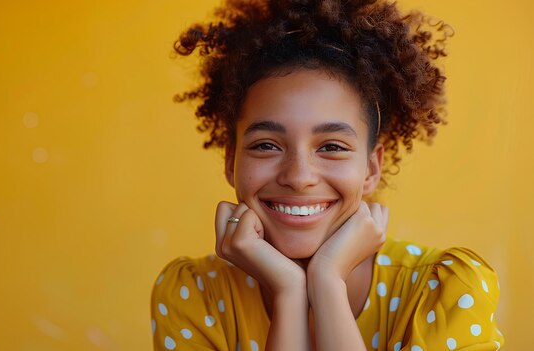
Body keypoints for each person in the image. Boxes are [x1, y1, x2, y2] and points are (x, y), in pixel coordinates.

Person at [151, 0, 504, 350]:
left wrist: (327, 284)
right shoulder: (197, 294)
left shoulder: (445, 293)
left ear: (371, 167)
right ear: (231, 160)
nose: (299, 176)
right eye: (266, 146)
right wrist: (290, 292)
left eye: (332, 146)